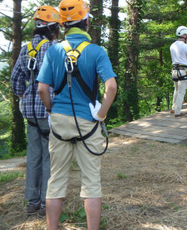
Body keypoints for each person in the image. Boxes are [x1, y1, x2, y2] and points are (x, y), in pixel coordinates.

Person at [37, 0, 117, 229]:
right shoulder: (96, 51)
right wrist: (101, 114)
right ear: (87, 21)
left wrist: (52, 110)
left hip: (59, 120)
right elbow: (110, 87)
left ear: (63, 25)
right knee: (91, 182)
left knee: (56, 180)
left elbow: (43, 89)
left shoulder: (53, 50)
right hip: (87, 121)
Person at [10, 5, 60, 217]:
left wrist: (24, 94)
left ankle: (32, 201)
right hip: (49, 109)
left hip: (30, 111)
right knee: (50, 157)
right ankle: (46, 202)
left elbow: (15, 80)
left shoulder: (25, 49)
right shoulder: (54, 48)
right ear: (52, 28)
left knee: (33, 155)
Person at [170, 26, 187, 117]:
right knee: (181, 91)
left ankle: (174, 108)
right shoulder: (185, 46)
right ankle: (178, 111)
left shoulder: (172, 45)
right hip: (183, 70)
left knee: (176, 90)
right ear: (184, 35)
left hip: (174, 70)